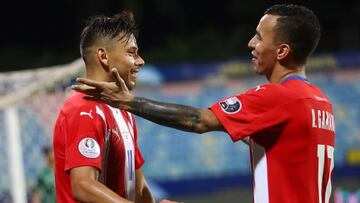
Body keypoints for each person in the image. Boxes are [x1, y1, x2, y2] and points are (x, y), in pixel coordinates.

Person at [73, 4, 336, 203]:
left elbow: (199, 120)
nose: (251, 43)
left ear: (281, 51)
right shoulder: (320, 103)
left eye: (259, 37)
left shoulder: (277, 97)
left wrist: (127, 101)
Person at [53, 11, 155, 203]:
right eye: (131, 53)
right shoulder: (83, 109)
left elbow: (138, 186)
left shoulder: (123, 109)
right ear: (104, 56)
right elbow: (83, 186)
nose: (140, 61)